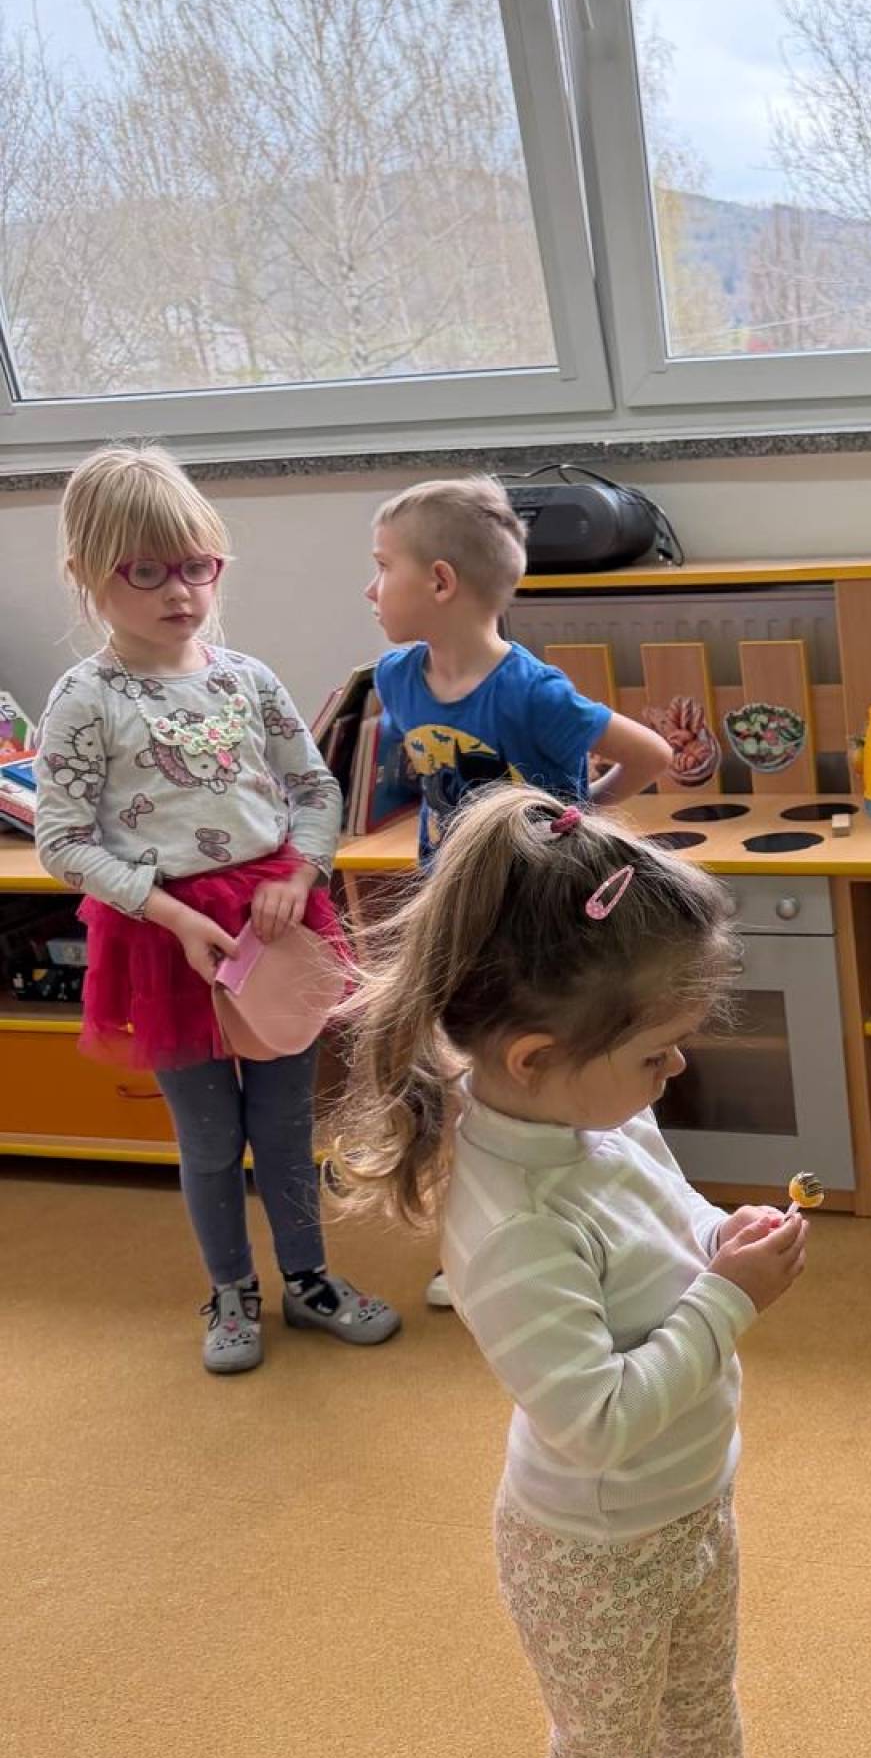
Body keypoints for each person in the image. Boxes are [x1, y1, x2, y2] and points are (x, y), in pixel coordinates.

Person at [328, 787, 810, 1758]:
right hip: (590, 1547)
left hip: (689, 1498)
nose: (675, 1068)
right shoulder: (511, 1222)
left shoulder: (606, 1116)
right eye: (656, 1051)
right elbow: (592, 1418)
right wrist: (731, 1300)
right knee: (603, 1756)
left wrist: (722, 1237)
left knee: (704, 1693)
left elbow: (669, 1221)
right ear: (536, 1058)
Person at [33, 444, 399, 1374]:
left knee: (284, 1128)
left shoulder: (247, 677)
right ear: (86, 575)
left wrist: (300, 873)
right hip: (166, 940)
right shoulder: (84, 700)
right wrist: (171, 916)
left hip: (275, 926)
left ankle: (308, 1281)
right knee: (208, 1138)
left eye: (199, 567)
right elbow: (62, 841)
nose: (180, 591)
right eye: (146, 572)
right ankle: (231, 1289)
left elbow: (314, 790)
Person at [364, 474, 672, 1305]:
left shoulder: (534, 692)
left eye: (383, 566)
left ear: (440, 581)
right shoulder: (395, 677)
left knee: (558, 1074)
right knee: (470, 1084)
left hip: (540, 920)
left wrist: (581, 816)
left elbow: (650, 756)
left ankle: (605, 1226)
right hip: (455, 912)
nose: (369, 587)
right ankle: (487, 1241)